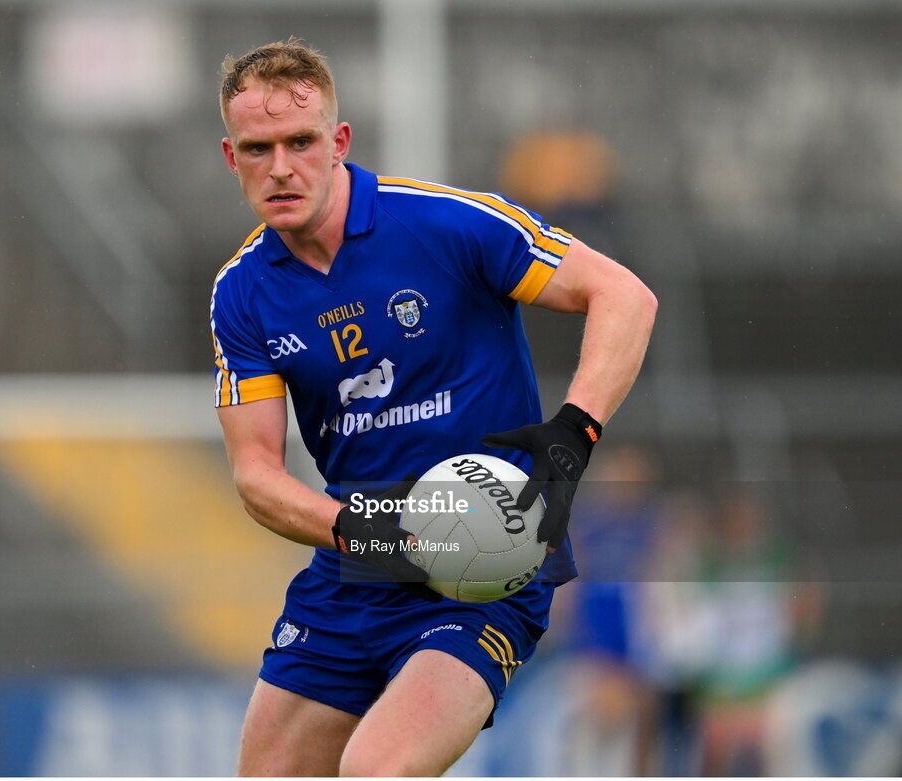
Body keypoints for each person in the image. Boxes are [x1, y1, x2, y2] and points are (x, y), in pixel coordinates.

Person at [210, 38, 657, 777]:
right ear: (233, 157)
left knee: (375, 770)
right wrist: (376, 533)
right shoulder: (242, 292)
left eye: (301, 141)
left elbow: (624, 297)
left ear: (339, 142)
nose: (281, 167)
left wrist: (570, 438)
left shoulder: (445, 224)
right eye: (259, 148)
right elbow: (256, 474)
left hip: (489, 562)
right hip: (357, 565)